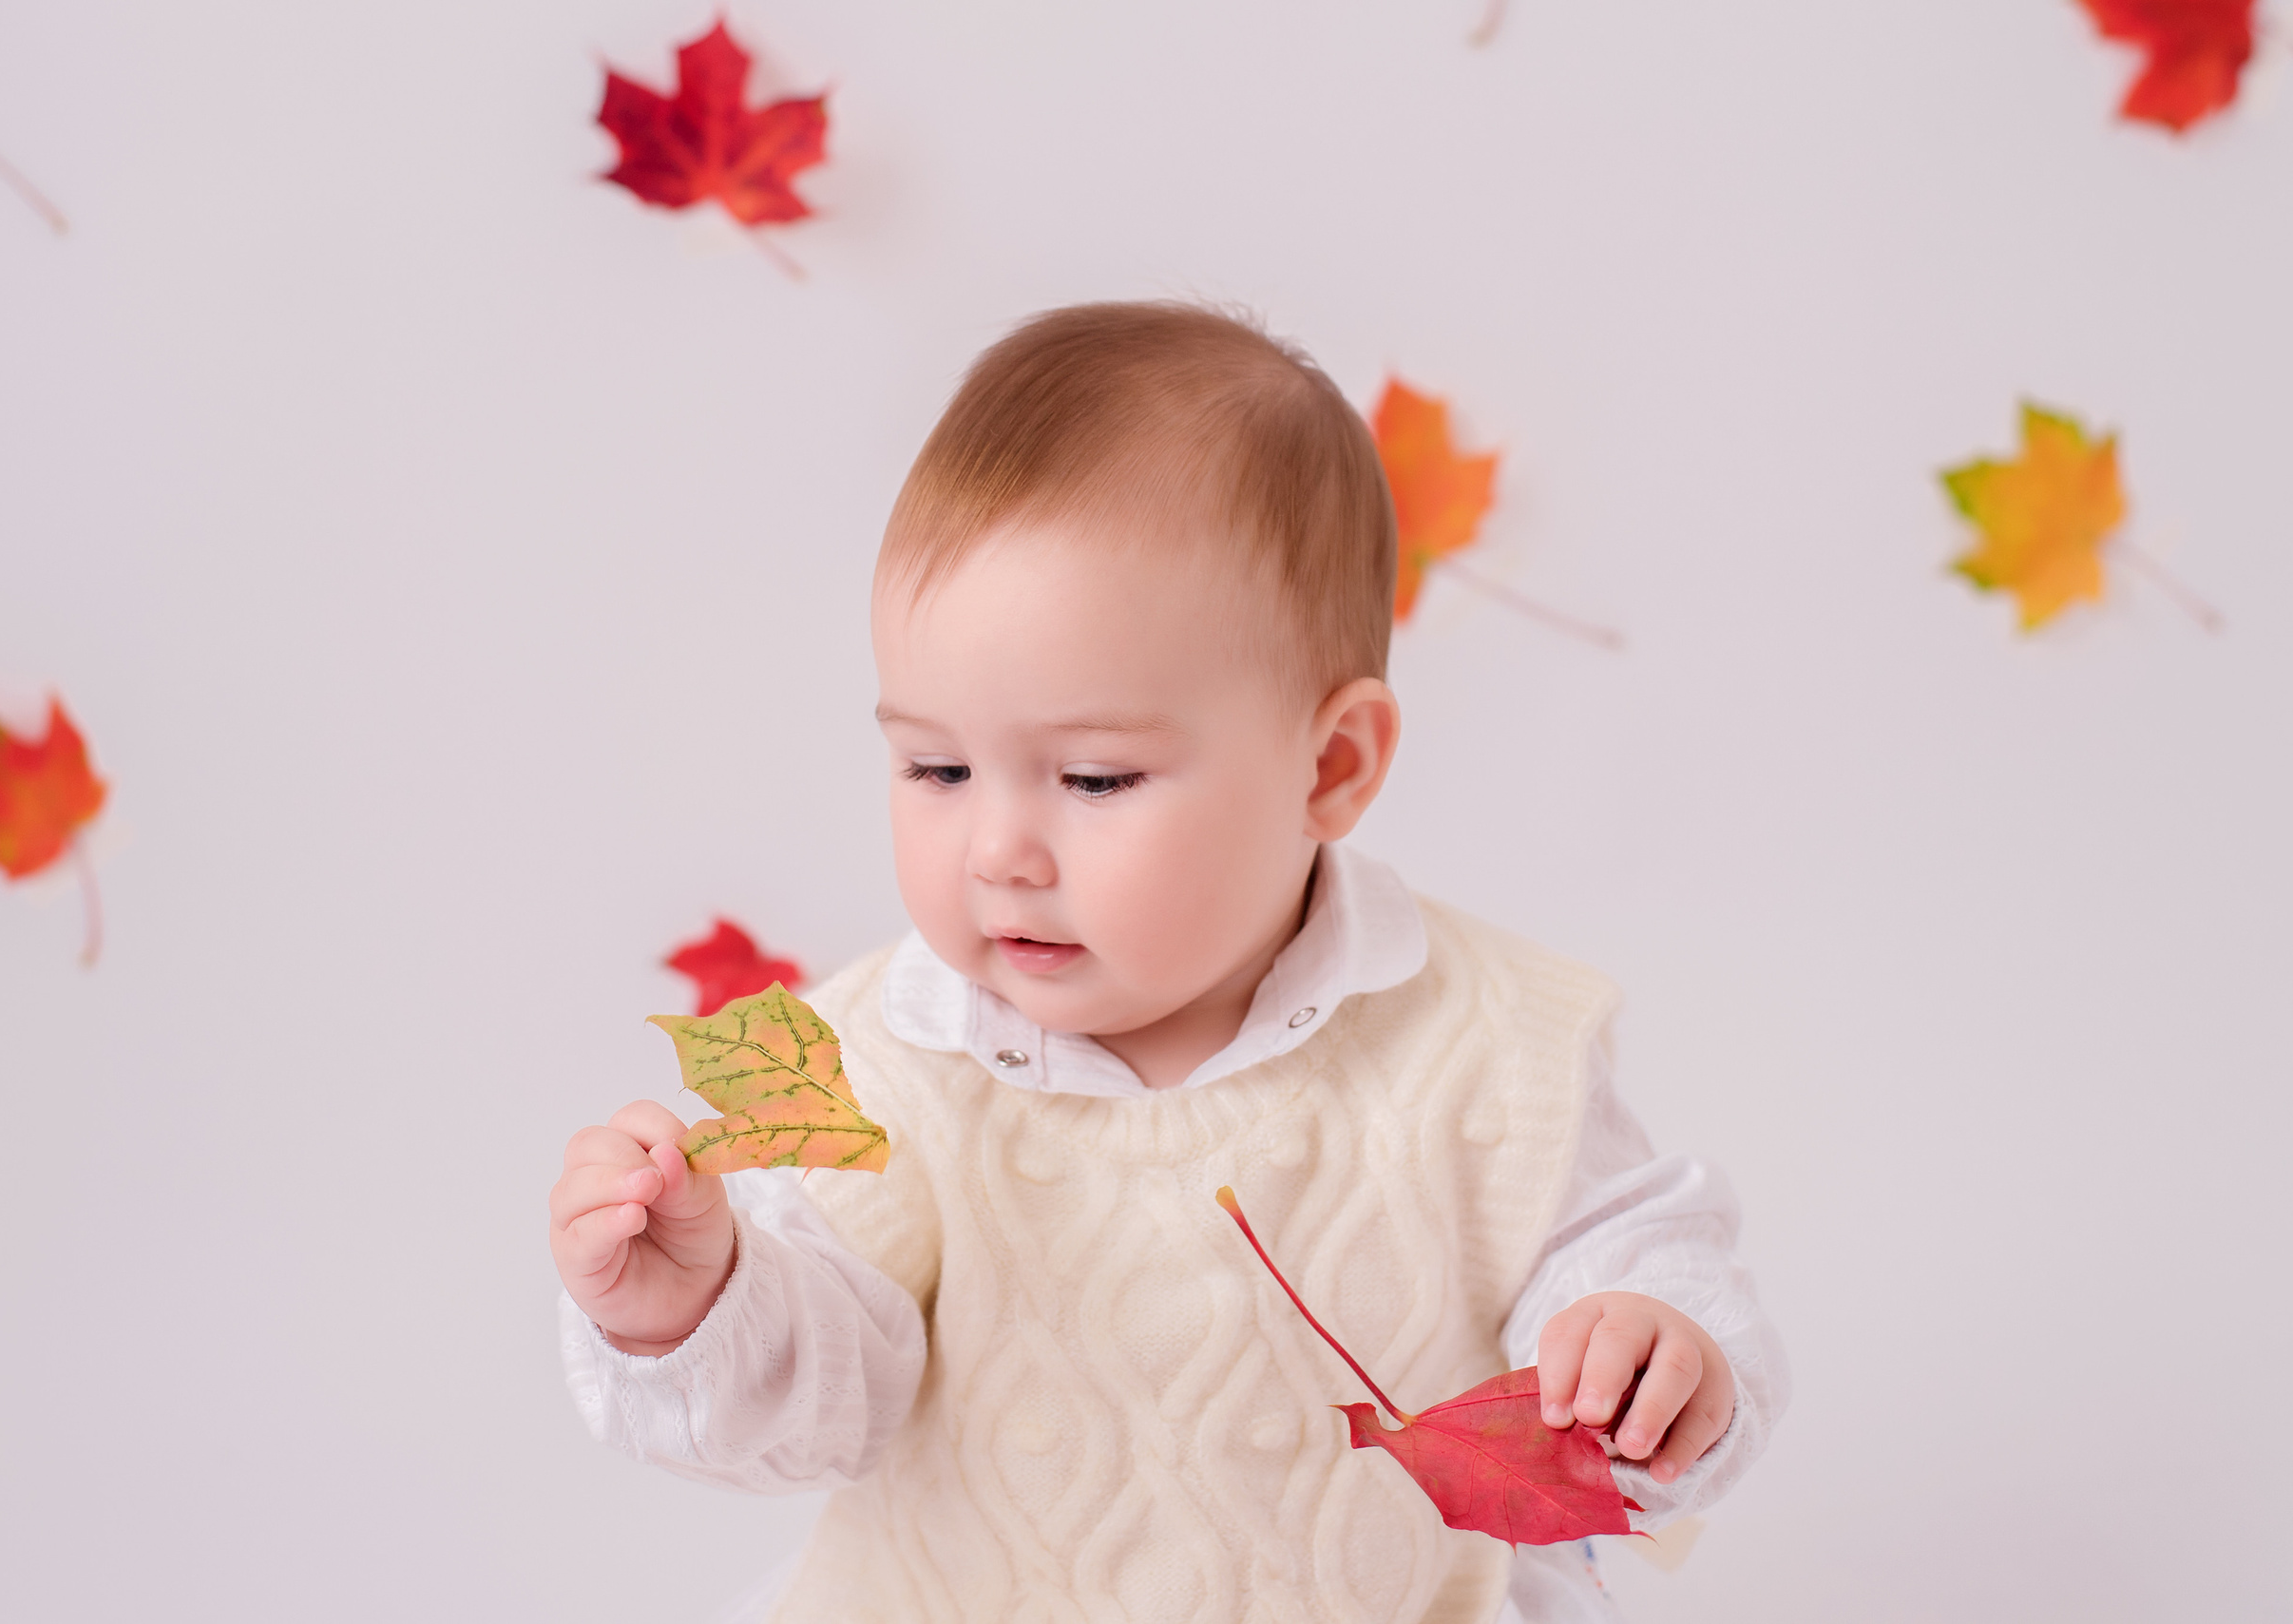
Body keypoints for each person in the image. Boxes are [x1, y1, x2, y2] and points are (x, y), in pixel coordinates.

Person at [546, 302, 1788, 1624]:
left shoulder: (1483, 1041)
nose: (997, 849)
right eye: (937, 767)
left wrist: (1650, 1343)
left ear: (1331, 766)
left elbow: (1635, 1247)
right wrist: (702, 1304)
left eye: (1092, 776)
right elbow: (809, 1413)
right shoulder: (884, 1067)